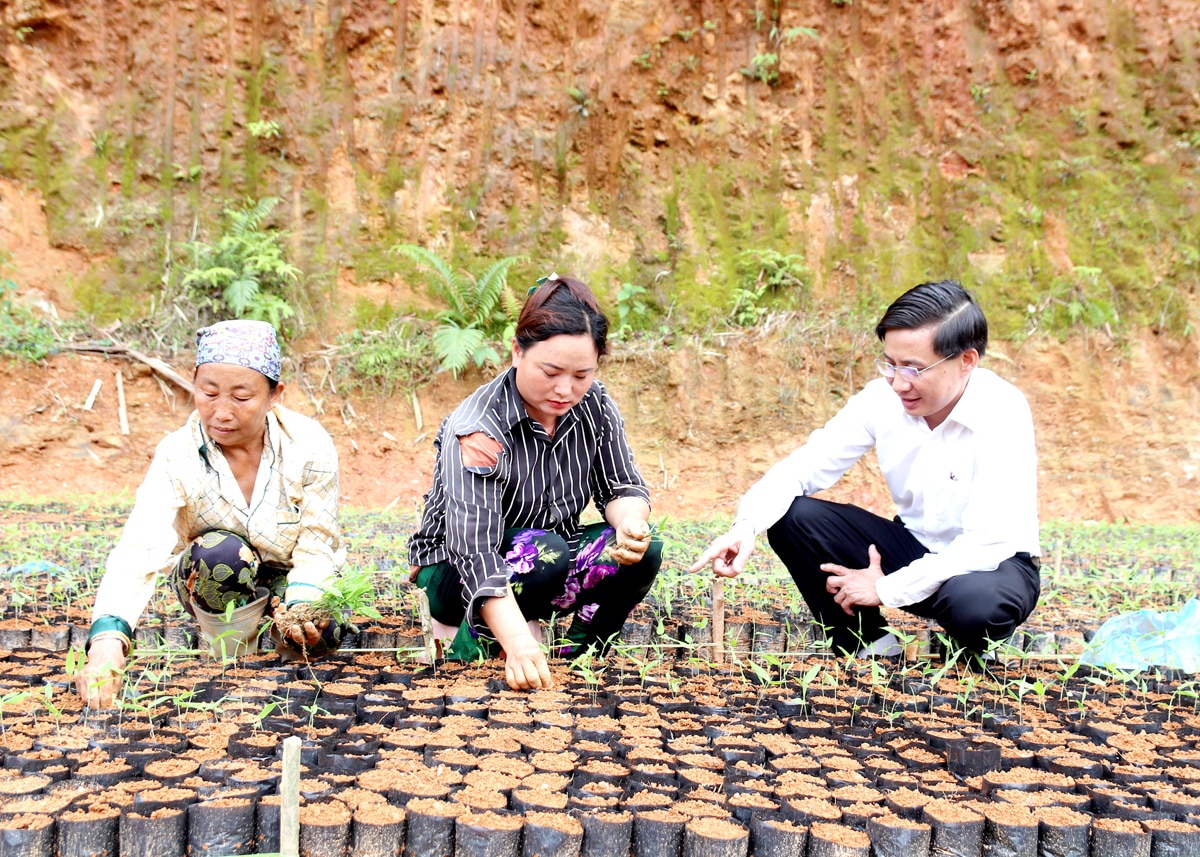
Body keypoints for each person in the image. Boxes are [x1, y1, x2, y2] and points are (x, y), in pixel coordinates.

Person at [691, 280, 1040, 658]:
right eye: (890, 364)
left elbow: (987, 542)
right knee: (794, 515)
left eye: (913, 368)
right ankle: (868, 644)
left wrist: (884, 588)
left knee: (975, 604)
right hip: (915, 546)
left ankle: (968, 653)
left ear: (966, 361)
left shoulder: (1002, 410)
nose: (898, 382)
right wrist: (745, 527)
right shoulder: (881, 399)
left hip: (991, 566)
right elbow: (801, 469)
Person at [409, 274, 663, 691]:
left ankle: (573, 662)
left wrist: (630, 522)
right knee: (545, 551)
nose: (566, 389)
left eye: (582, 375)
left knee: (643, 551)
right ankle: (471, 652)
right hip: (455, 570)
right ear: (517, 352)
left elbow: (622, 487)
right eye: (550, 371)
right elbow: (474, 551)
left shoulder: (595, 406)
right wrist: (517, 641)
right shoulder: (479, 428)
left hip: (545, 559)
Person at [75, 320, 349, 708]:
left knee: (323, 631)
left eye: (241, 397)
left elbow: (319, 542)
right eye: (209, 393)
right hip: (220, 577)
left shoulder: (309, 445)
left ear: (275, 395)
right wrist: (107, 640)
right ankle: (235, 661)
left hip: (292, 577)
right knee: (220, 553)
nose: (221, 412)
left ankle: (282, 649)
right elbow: (140, 546)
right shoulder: (177, 454)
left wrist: (300, 606)